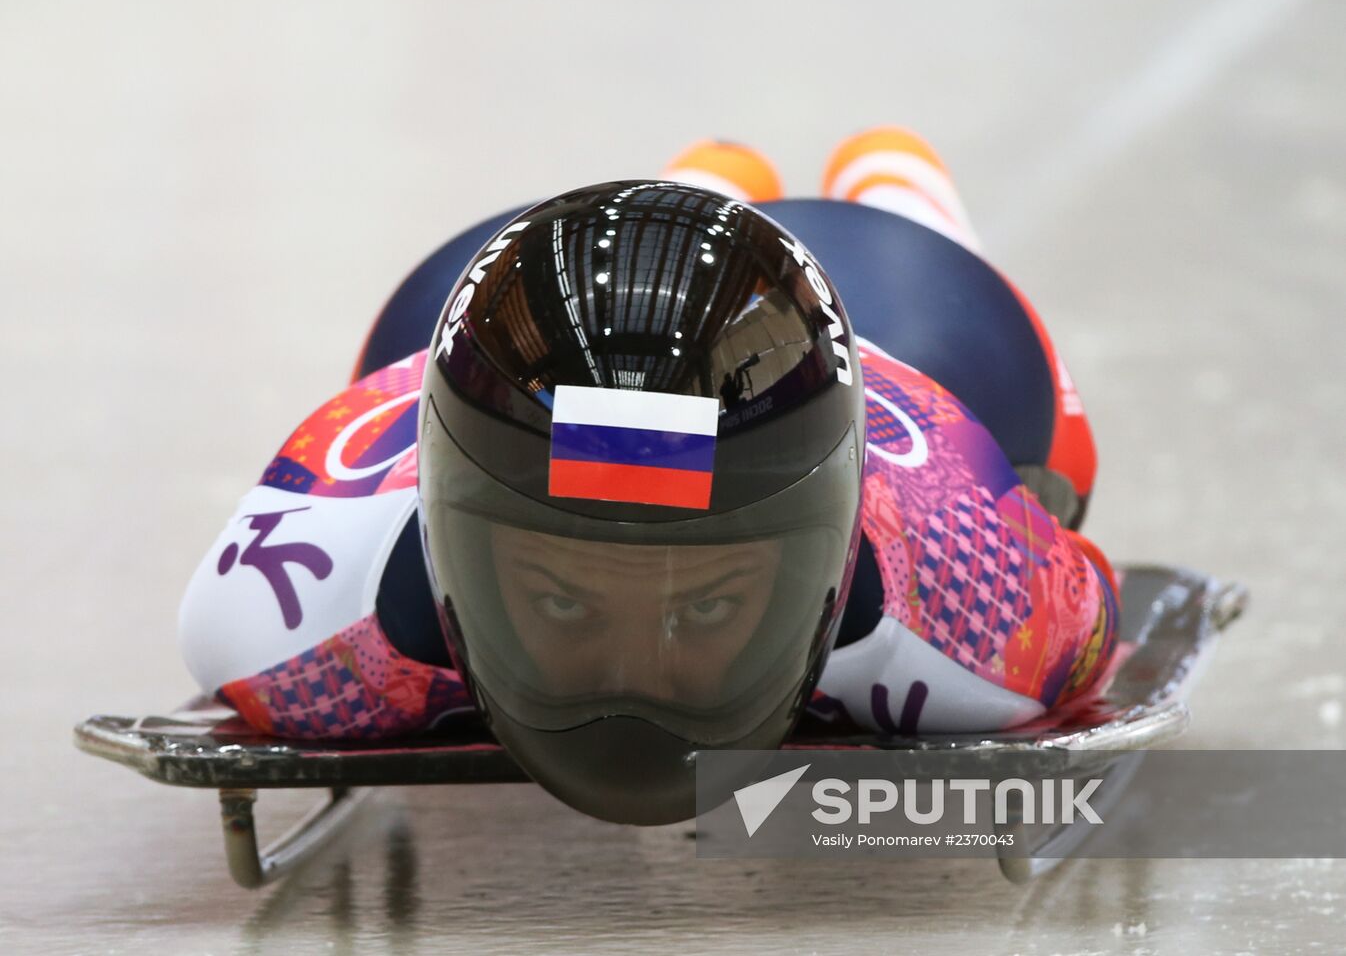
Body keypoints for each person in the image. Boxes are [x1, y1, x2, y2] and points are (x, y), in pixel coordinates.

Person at [179, 128, 1118, 824]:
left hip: (895, 347)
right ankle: (821, 184)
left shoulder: (277, 638)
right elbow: (1105, 595)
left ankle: (870, 187)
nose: (633, 682)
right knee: (1011, 400)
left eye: (704, 605)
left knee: (986, 376)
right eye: (560, 600)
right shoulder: (992, 637)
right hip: (499, 362)